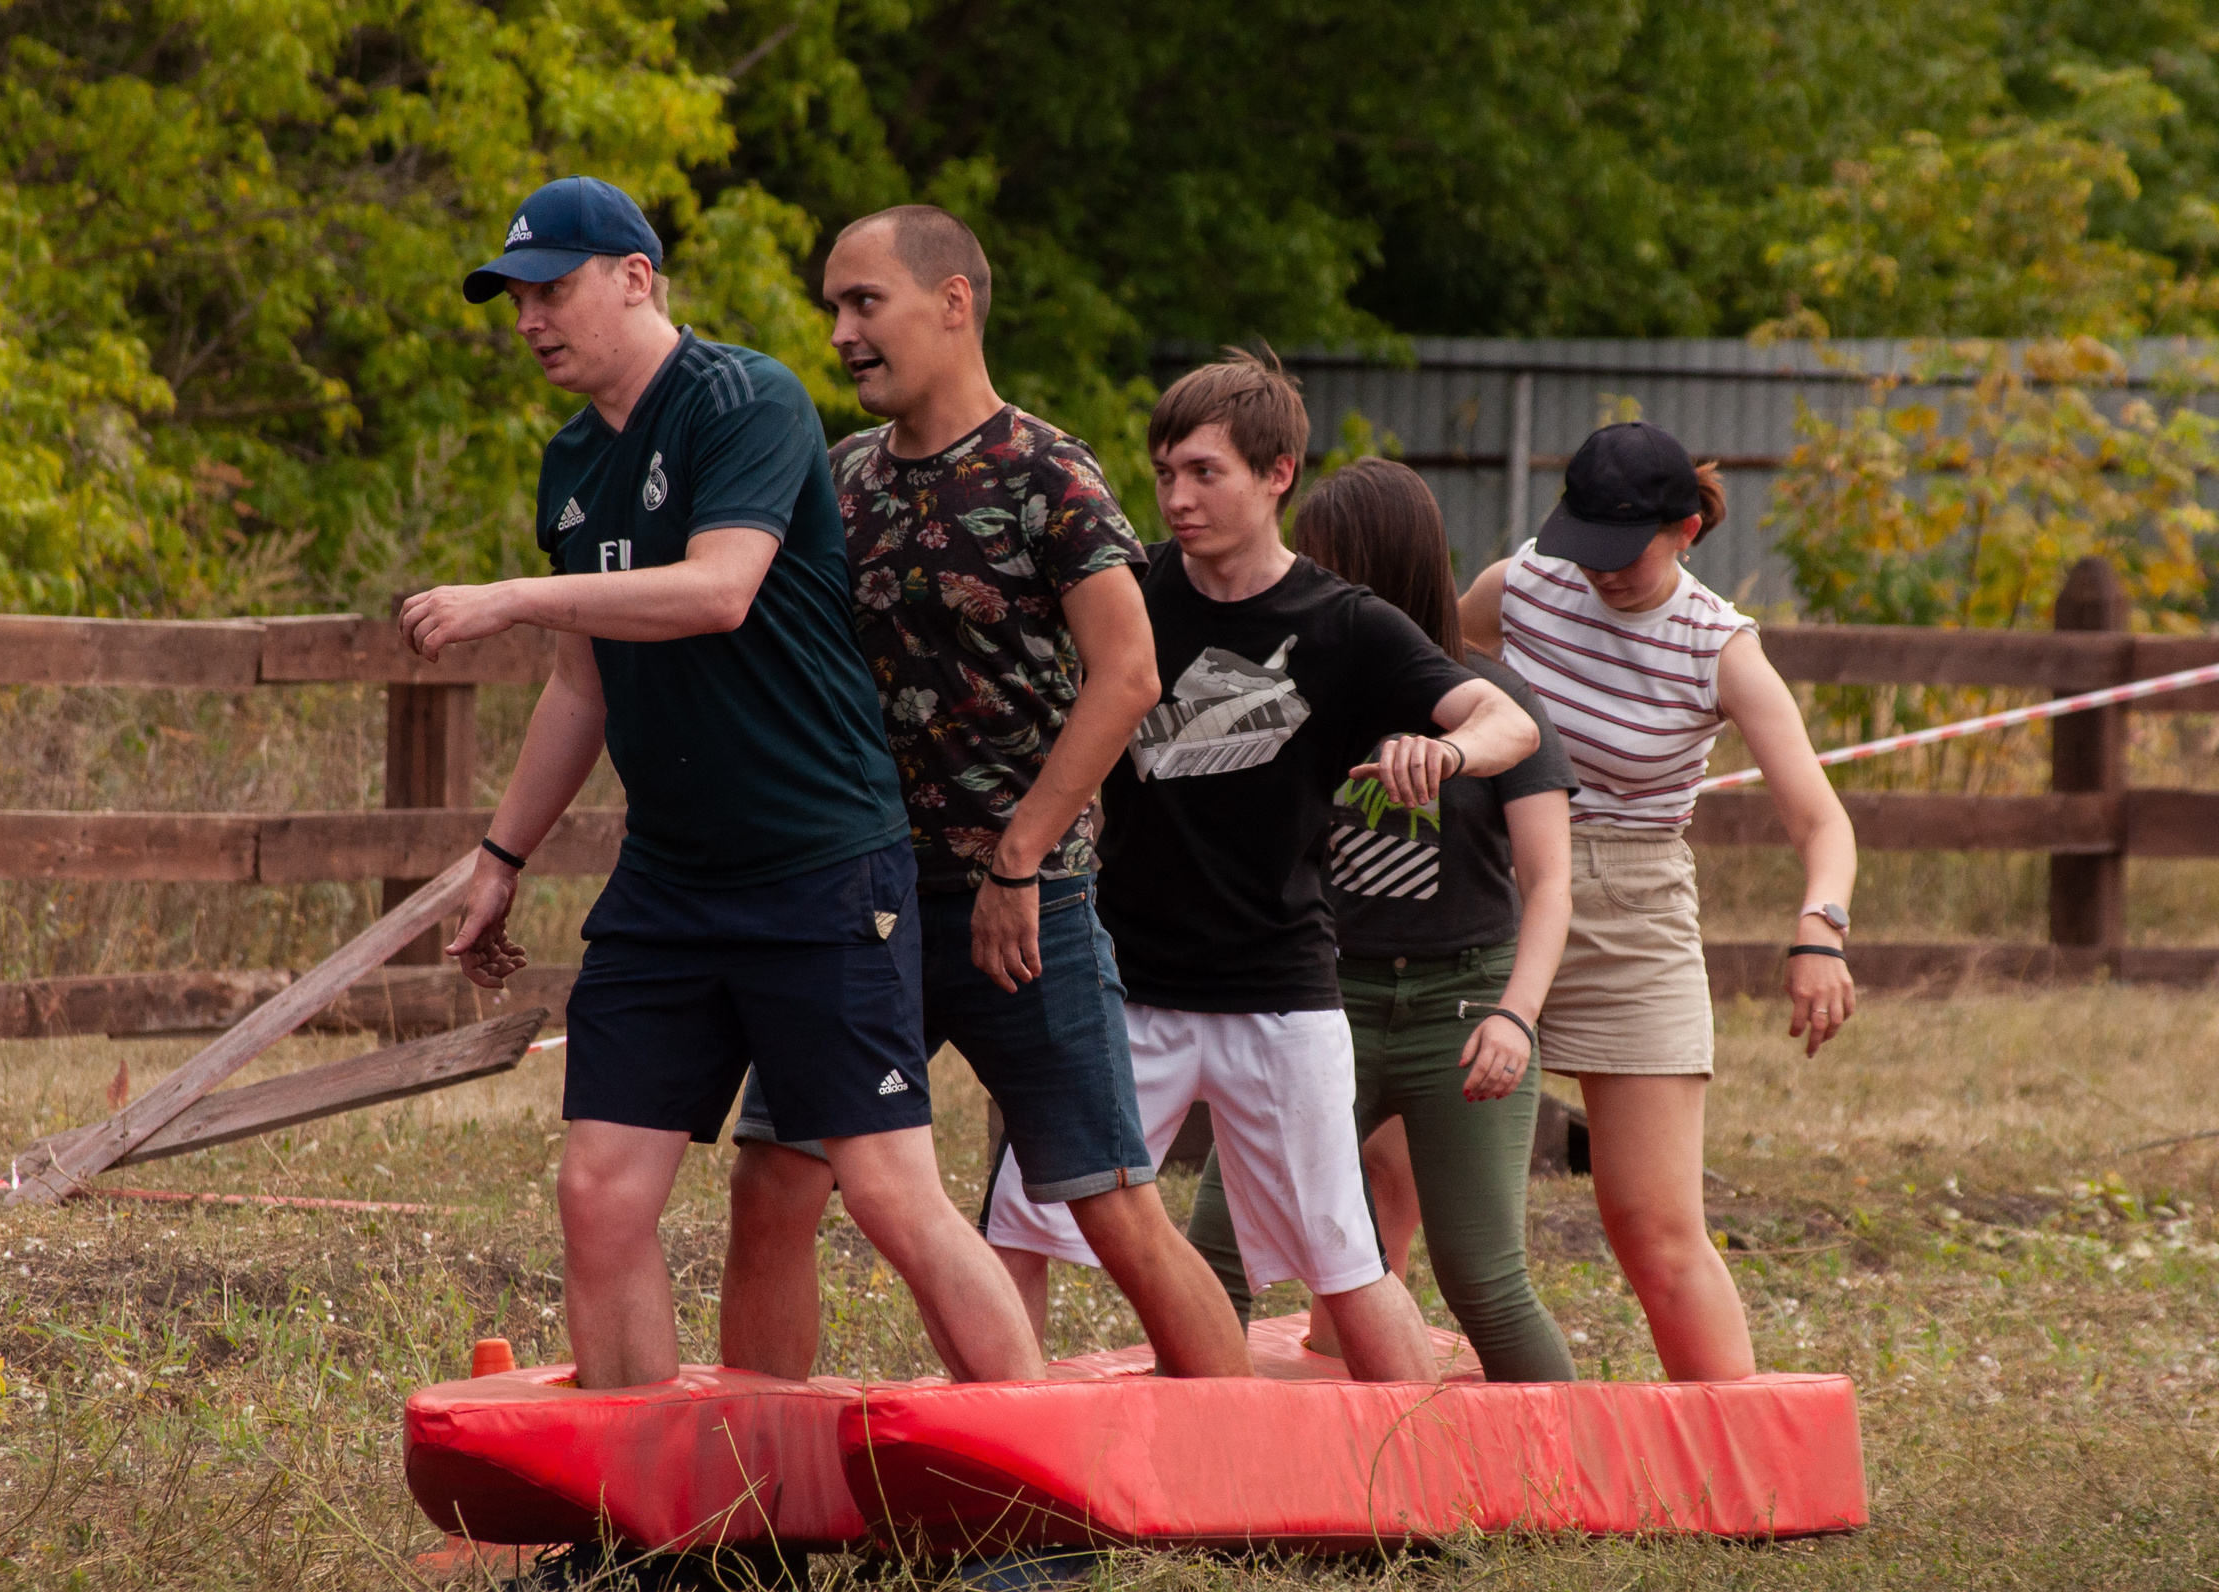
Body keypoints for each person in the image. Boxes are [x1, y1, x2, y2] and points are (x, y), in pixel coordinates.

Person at [397, 176, 1042, 1390]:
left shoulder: (744, 399)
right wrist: (500, 858)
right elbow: (581, 689)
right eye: (514, 300)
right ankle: (652, 1541)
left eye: (553, 289)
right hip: (672, 879)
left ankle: (1037, 1510)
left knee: (893, 1198)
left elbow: (717, 589)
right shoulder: (571, 464)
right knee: (597, 1194)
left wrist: (510, 595)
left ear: (634, 278)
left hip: (817, 861)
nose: (530, 319)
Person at [713, 205, 1251, 1380]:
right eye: (833, 309)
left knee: (1111, 1209)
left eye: (866, 302)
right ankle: (753, 1493)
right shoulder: (835, 479)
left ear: (952, 302)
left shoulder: (1047, 472)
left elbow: (1129, 675)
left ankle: (1232, 1475)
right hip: (857, 904)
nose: (842, 332)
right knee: (774, 1183)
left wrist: (1019, 860)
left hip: (1026, 908)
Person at [981, 351, 1545, 1383]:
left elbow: (1507, 720)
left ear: (1277, 472)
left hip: (1277, 996)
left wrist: (1448, 750)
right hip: (1124, 990)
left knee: (1344, 1265)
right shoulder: (1131, 590)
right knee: (1022, 1229)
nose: (1178, 498)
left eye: (1206, 473)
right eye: (1164, 474)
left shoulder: (1346, 626)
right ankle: (1008, 1465)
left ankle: (1408, 1489)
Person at [1456, 420, 1859, 1382]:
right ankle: (1338, 1402)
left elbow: (1821, 821)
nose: (1597, 572)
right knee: (1396, 1180)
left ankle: (1742, 1469)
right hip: (1488, 882)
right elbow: (1435, 664)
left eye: (1622, 551)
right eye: (1582, 544)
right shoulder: (1520, 584)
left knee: (1654, 1226)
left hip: (1630, 907)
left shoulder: (1719, 646)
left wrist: (1821, 929)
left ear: (1687, 528)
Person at [1181, 457, 1579, 1383]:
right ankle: (1197, 1480)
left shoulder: (1498, 701)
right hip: (1322, 1006)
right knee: (1212, 1258)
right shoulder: (1299, 691)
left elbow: (1551, 883)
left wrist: (1515, 1016)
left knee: (1485, 1282)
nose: (1302, 582)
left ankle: (1567, 1492)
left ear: (1376, 575)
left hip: (1463, 1011)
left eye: (1321, 563)